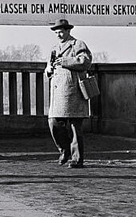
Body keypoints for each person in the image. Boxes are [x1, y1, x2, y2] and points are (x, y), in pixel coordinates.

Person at [44, 18, 92, 169]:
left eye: (61, 32)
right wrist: (48, 70)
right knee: (53, 123)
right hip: (58, 92)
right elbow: (49, 66)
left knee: (75, 127)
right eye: (56, 32)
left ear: (68, 31)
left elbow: (85, 61)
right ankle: (64, 150)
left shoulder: (77, 44)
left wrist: (65, 61)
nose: (58, 35)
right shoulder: (54, 48)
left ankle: (77, 159)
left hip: (73, 91)